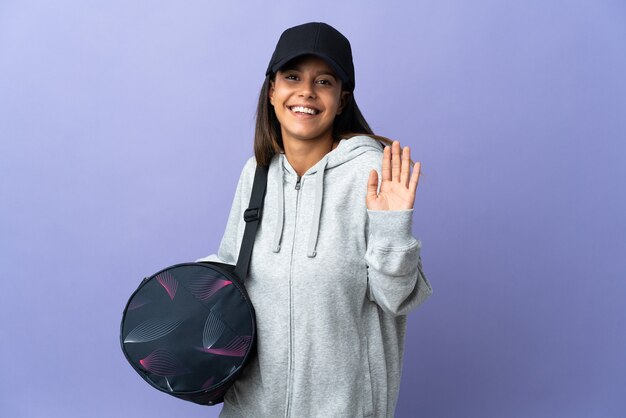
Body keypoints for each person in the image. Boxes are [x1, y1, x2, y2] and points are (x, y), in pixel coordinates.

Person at [197, 22, 432, 418]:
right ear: (272, 90)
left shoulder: (372, 174)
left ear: (341, 100)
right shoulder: (255, 174)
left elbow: (396, 299)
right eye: (292, 77)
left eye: (323, 81)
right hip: (251, 408)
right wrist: (187, 289)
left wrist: (393, 229)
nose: (306, 91)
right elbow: (233, 277)